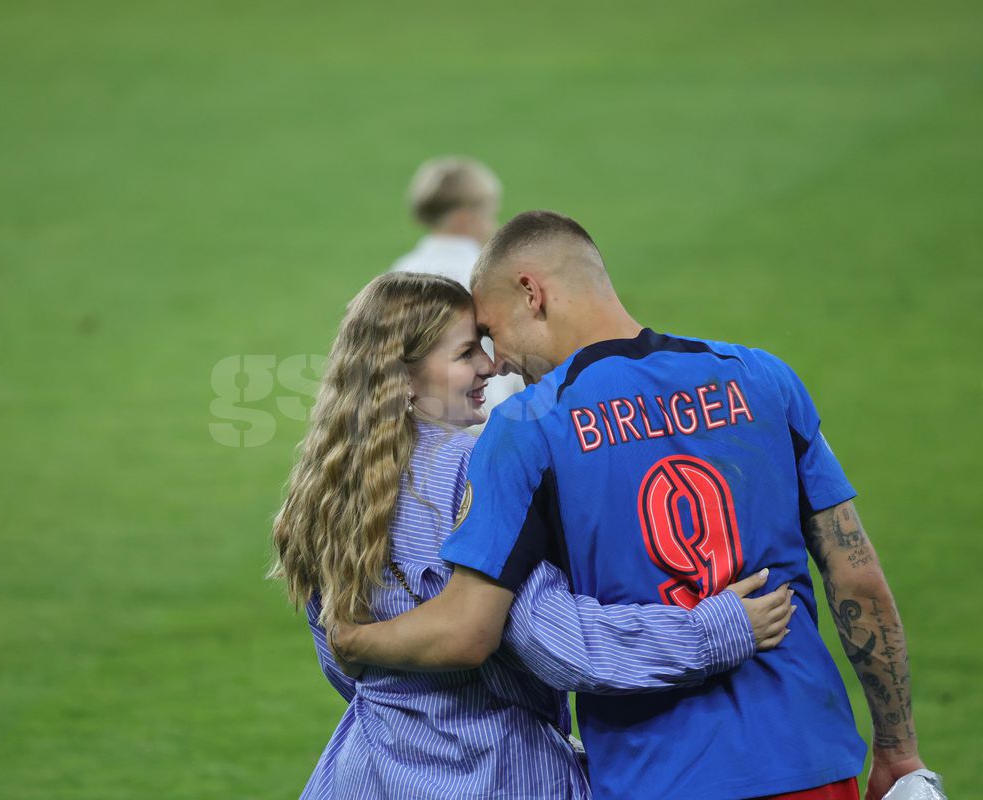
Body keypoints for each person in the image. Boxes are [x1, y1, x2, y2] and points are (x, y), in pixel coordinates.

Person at [333, 212, 926, 800]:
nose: (500, 361)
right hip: (808, 761)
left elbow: (469, 627)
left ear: (532, 294)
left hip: (654, 775)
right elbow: (855, 574)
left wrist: (356, 641)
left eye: (492, 333)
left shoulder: (527, 426)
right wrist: (898, 750)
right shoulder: (763, 377)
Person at [271, 271, 794, 799]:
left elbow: (344, 664)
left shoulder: (326, 486)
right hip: (493, 772)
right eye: (464, 354)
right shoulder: (472, 465)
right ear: (403, 378)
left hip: (364, 771)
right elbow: (554, 642)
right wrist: (712, 632)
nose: (487, 366)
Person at [390, 156, 524, 417]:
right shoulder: (489, 273)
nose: (493, 225)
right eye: (489, 215)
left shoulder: (398, 271)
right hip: (484, 413)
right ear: (465, 217)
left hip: (416, 415)